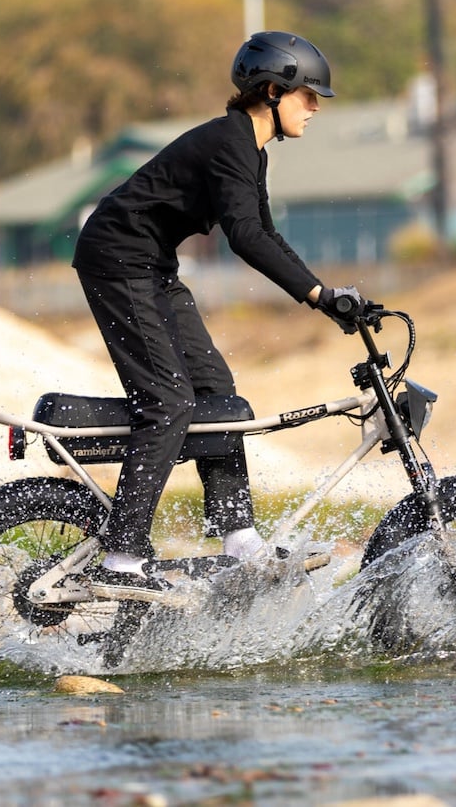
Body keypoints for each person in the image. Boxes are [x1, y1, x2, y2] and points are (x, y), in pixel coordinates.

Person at [70, 31, 366, 601]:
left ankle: (239, 538)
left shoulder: (249, 147)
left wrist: (328, 298)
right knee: (169, 402)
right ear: (273, 90)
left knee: (219, 394)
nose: (315, 108)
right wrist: (321, 296)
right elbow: (246, 239)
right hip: (116, 259)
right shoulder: (230, 143)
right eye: (309, 96)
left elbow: (265, 232)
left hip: (152, 265)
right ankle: (122, 556)